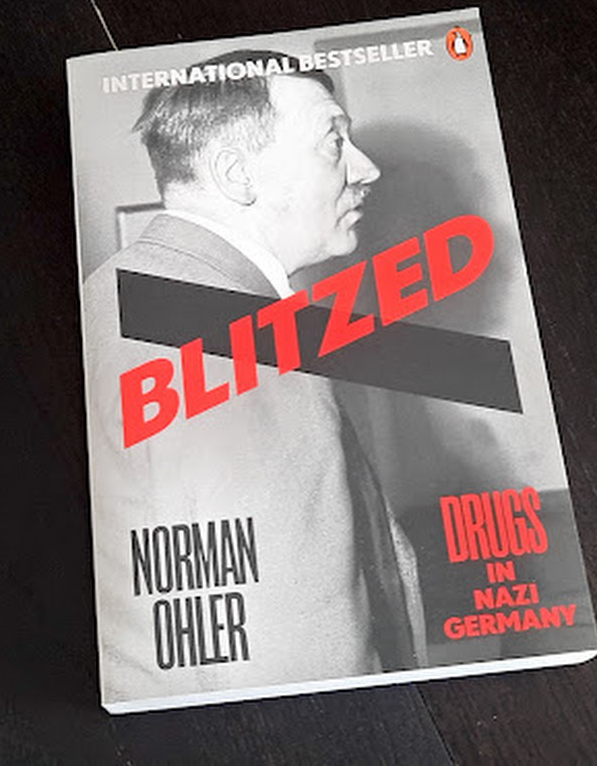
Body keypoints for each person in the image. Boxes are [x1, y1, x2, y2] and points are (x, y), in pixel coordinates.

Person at [83, 50, 426, 705]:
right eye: (333, 142)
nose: (366, 168)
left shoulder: (119, 293)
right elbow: (299, 649)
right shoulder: (235, 336)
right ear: (237, 174)